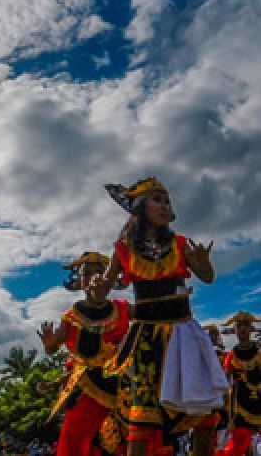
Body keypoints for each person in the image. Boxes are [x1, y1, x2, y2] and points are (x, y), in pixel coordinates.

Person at [102, 177, 228, 455]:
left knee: (203, 414)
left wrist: (205, 264)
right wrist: (98, 288)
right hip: (147, 339)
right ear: (139, 208)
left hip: (183, 335)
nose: (164, 205)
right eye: (157, 199)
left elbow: (207, 278)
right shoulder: (123, 249)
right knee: (145, 413)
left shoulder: (180, 244)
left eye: (167, 200)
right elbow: (105, 287)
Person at [38, 251, 130, 456]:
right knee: (75, 439)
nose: (94, 278)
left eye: (101, 272)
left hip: (122, 387)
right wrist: (50, 343)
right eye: (87, 273)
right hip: (86, 387)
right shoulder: (71, 316)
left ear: (111, 278)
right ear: (79, 281)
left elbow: (153, 313)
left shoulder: (122, 309)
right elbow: (52, 349)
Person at [215, 312, 261, 456]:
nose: (242, 328)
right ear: (235, 330)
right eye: (239, 325)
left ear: (251, 329)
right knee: (239, 443)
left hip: (259, 401)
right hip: (240, 406)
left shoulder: (259, 352)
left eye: (246, 325)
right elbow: (224, 380)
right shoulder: (231, 355)